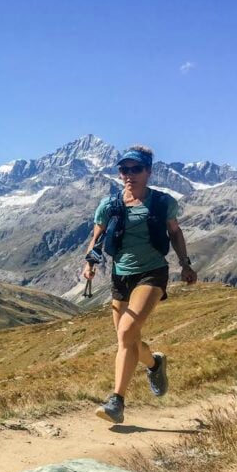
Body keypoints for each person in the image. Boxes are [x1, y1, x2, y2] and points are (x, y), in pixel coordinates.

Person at [82, 145, 197, 424]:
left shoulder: (161, 202)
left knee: (126, 332)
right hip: (120, 276)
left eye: (135, 169)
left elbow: (175, 232)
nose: (129, 175)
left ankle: (116, 402)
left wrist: (184, 263)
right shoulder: (110, 205)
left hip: (152, 272)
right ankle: (154, 363)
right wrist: (89, 264)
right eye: (124, 169)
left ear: (148, 171)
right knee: (129, 338)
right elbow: (96, 237)